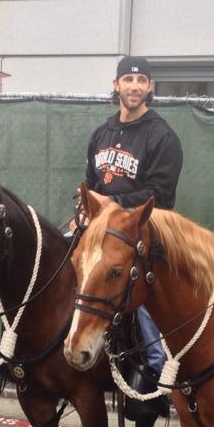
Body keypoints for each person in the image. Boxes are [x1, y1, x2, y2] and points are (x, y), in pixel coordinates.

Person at [82, 56, 183, 391]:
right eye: (128, 79)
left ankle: (156, 369)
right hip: (99, 228)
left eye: (141, 80)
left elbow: (161, 195)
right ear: (116, 85)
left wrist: (115, 204)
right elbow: (90, 184)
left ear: (150, 87)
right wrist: (81, 208)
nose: (135, 86)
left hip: (143, 230)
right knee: (63, 264)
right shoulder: (100, 133)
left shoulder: (162, 136)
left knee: (143, 294)